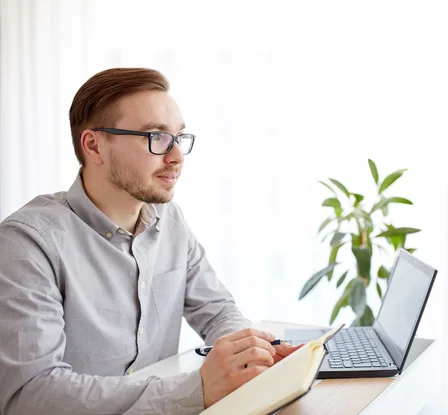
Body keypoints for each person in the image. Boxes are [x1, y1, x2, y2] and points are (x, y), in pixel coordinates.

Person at [0, 67, 301, 414]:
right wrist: (198, 388)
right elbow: (32, 395)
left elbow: (217, 310)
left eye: (179, 137)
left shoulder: (169, 220)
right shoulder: (26, 244)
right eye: (156, 138)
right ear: (94, 145)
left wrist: (252, 354)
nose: (176, 157)